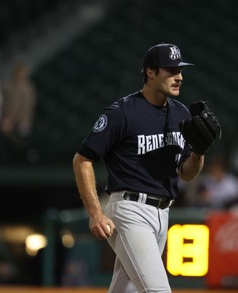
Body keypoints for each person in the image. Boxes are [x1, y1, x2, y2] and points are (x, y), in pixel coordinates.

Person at [73, 43, 209, 292]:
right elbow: (82, 160)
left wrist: (199, 152)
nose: (179, 76)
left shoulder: (181, 114)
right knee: (157, 290)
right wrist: (95, 213)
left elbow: (186, 174)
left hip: (163, 213)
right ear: (150, 72)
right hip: (129, 211)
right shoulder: (122, 112)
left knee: (126, 290)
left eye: (180, 70)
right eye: (170, 70)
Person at [1, 62, 36, 139]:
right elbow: (4, 102)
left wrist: (12, 120)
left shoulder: (28, 89)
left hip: (21, 121)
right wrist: (6, 118)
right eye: (18, 72)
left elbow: (26, 108)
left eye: (22, 72)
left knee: (22, 133)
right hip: (6, 118)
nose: (20, 74)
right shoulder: (7, 85)